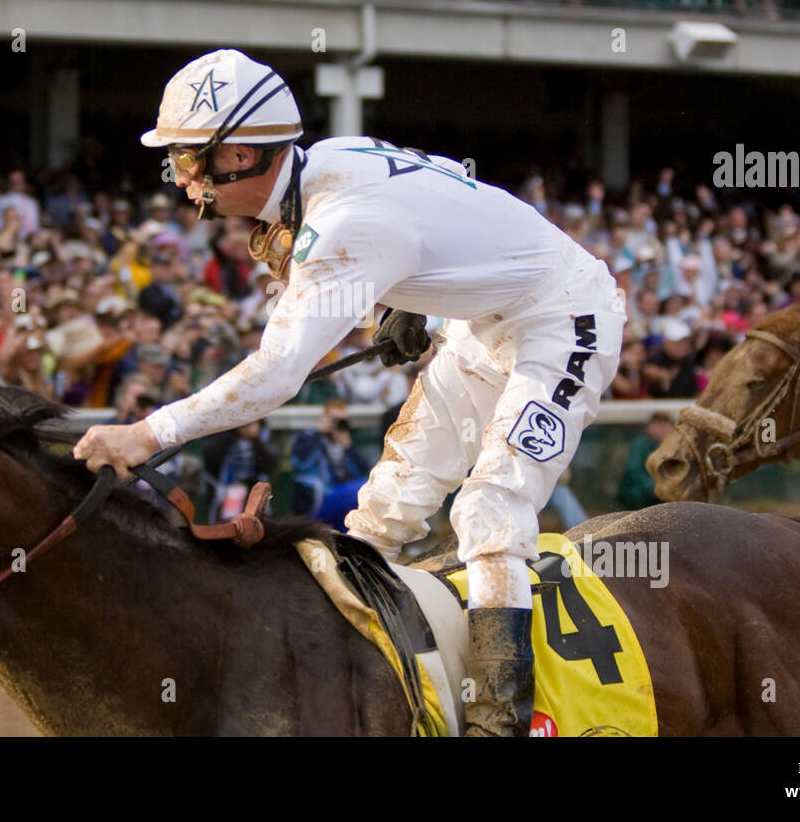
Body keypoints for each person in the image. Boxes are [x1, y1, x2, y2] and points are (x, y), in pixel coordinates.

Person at [74, 48, 627, 737]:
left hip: (563, 317)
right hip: (485, 322)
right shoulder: (330, 158)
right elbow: (447, 185)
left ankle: (499, 719)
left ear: (242, 155)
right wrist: (410, 305)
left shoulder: (343, 226)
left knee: (489, 510)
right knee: (381, 515)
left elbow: (276, 375)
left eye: (189, 161)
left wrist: (147, 433)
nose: (183, 180)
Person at [290, 397, 371, 528]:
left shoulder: (346, 439)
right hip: (322, 498)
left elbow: (364, 471)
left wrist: (348, 448)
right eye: (335, 420)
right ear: (325, 418)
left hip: (344, 501)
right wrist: (318, 434)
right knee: (358, 489)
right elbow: (300, 464)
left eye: (343, 421)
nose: (338, 425)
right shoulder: (309, 437)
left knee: (367, 489)